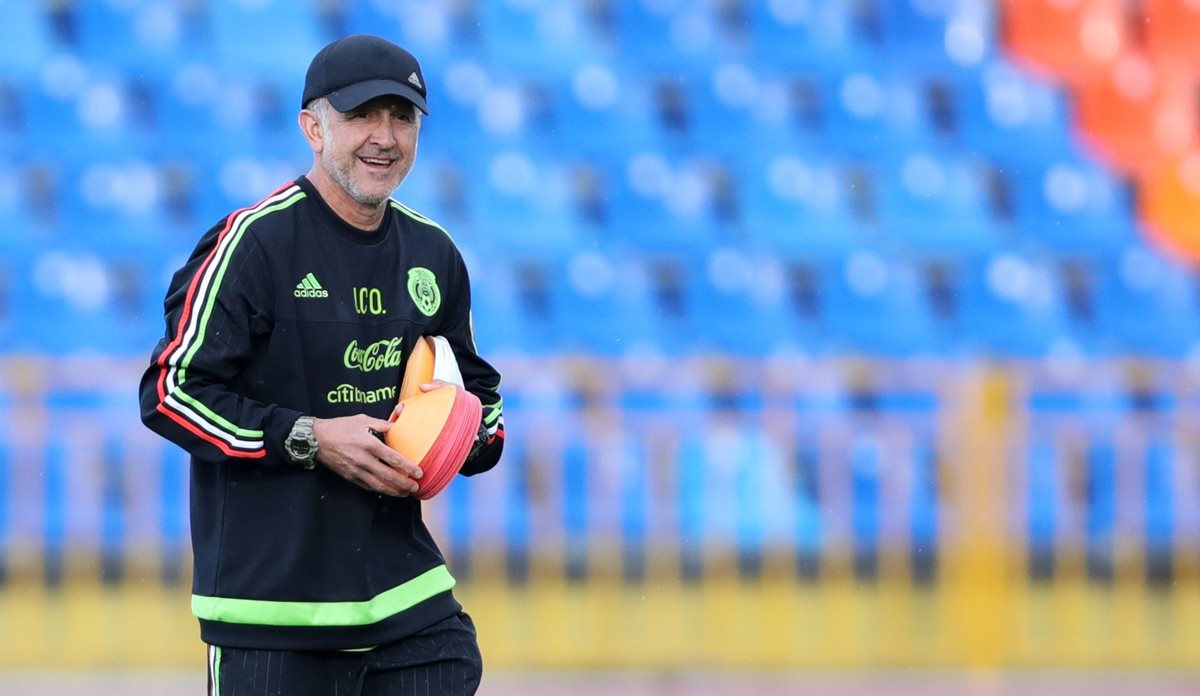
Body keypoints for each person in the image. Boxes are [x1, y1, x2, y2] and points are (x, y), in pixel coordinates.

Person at [138, 34, 505, 696]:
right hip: (272, 609)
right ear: (313, 128)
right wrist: (310, 437)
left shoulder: (434, 253)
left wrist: (456, 439)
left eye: (402, 117)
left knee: (454, 659)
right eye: (362, 115)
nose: (384, 137)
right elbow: (169, 391)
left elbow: (481, 402)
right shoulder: (251, 243)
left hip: (403, 597)